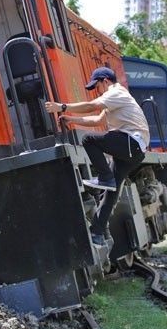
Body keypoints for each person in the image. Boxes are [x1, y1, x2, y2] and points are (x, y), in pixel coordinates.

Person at [45, 67, 149, 247]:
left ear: (105, 81)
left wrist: (61, 106)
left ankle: (105, 177)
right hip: (133, 151)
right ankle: (97, 234)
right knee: (110, 193)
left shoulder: (116, 92)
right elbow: (96, 121)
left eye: (97, 86)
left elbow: (92, 106)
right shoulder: (114, 100)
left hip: (131, 142)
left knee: (89, 140)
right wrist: (71, 119)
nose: (97, 91)